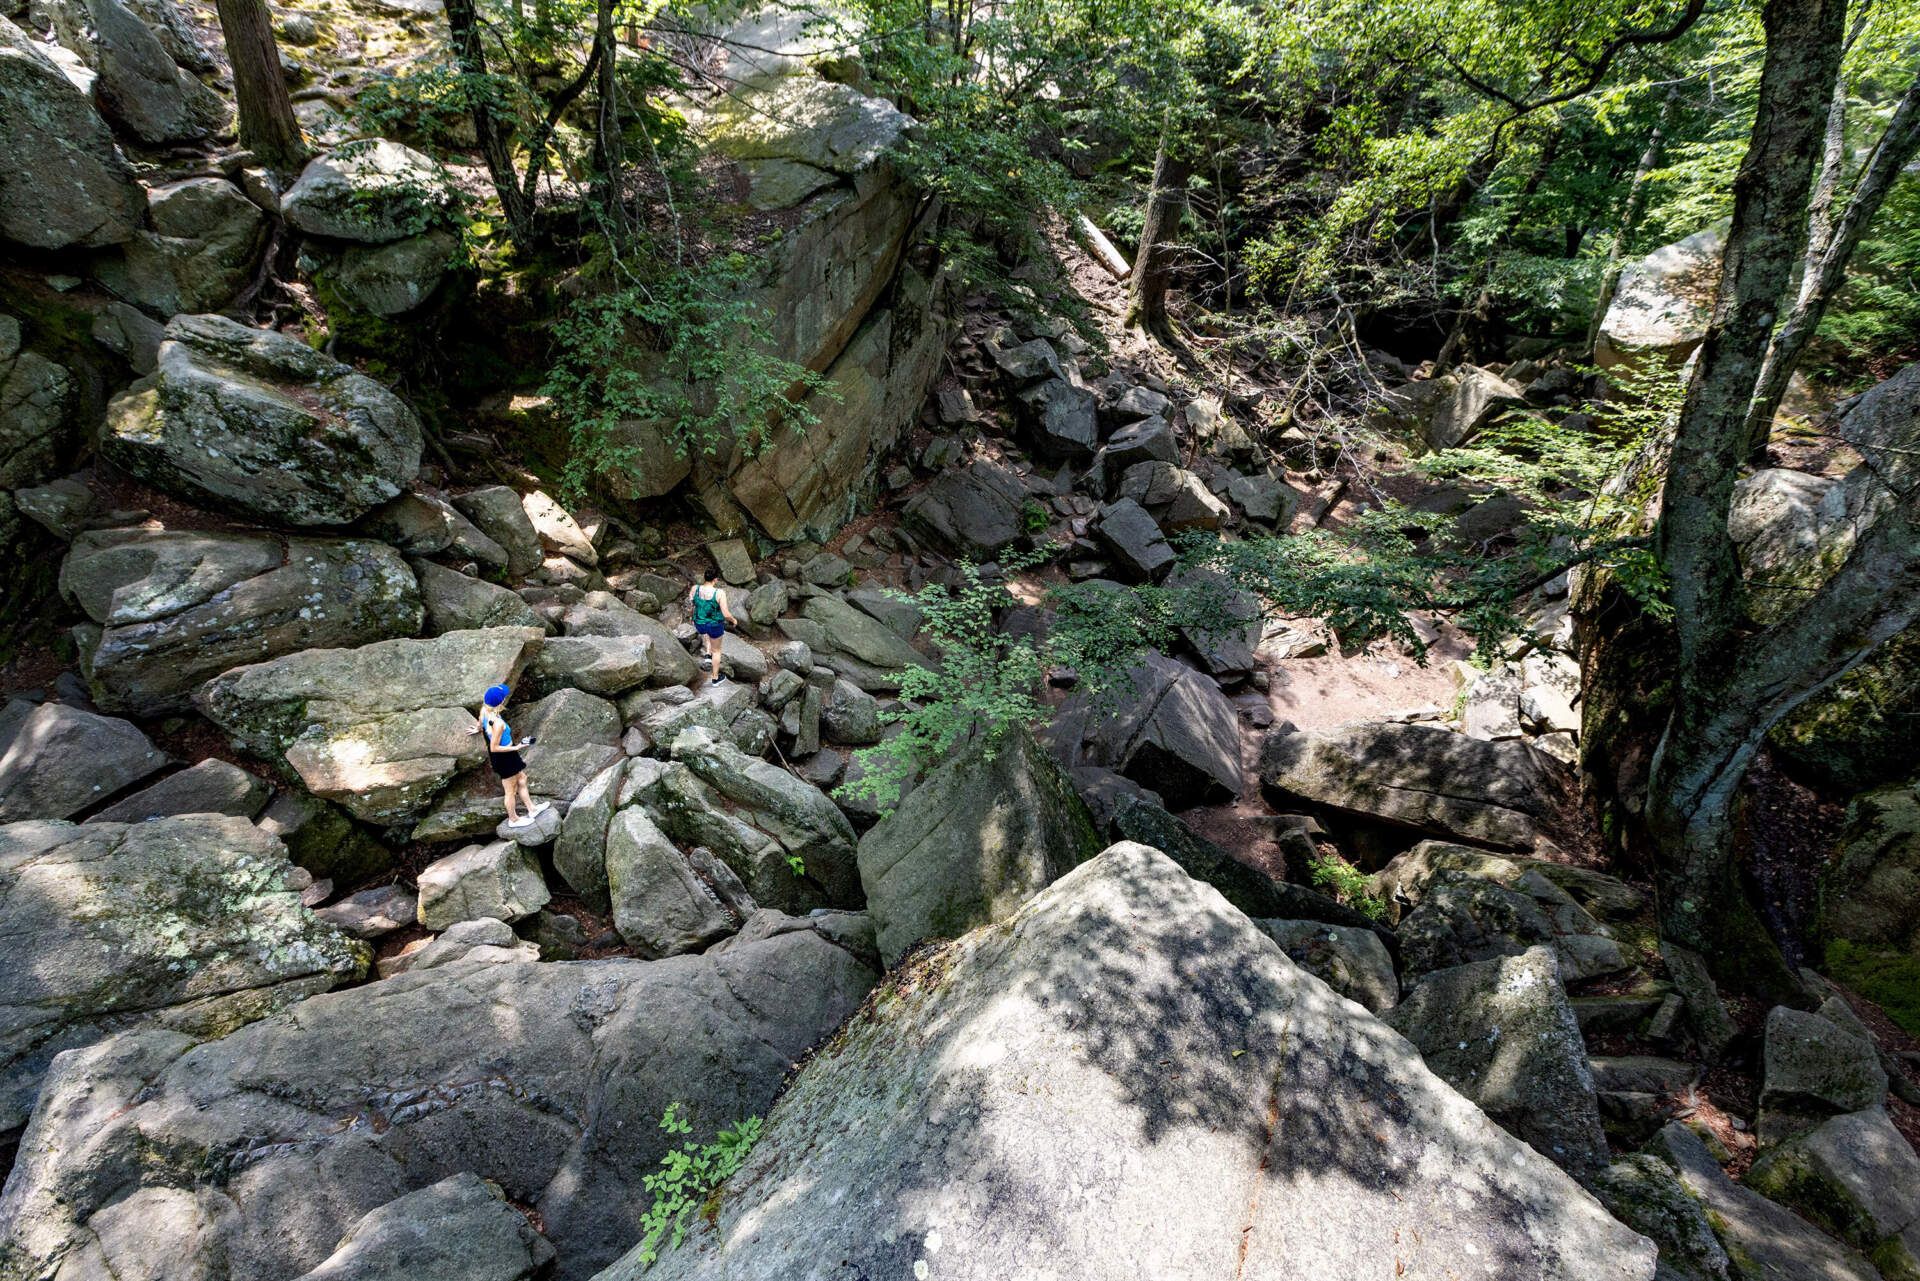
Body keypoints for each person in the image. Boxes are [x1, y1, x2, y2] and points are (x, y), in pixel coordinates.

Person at [477, 684, 549, 827]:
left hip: (509, 755)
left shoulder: (485, 709)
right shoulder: (498, 724)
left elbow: (480, 720)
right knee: (510, 790)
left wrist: (478, 728)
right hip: (504, 757)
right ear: (501, 702)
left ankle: (532, 809)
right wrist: (517, 746)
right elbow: (494, 748)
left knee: (522, 778)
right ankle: (513, 819)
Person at [688, 567, 739, 686]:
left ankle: (707, 654)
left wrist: (691, 618)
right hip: (714, 625)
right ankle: (715, 678)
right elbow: (725, 614)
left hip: (699, 623)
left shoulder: (695, 589)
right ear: (715, 579)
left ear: (705, 577)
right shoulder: (719, 593)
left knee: (707, 628)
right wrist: (734, 620)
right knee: (717, 651)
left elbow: (691, 606)